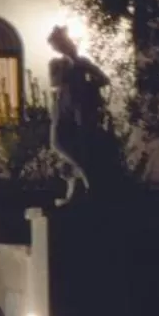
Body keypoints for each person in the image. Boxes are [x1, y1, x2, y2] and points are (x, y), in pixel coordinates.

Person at [46, 25, 109, 207]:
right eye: (55, 46)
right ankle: (85, 180)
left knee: (79, 148)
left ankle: (82, 188)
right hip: (62, 109)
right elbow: (54, 82)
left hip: (80, 111)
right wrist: (69, 66)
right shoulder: (57, 64)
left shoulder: (82, 62)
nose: (56, 49)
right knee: (57, 143)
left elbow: (103, 79)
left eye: (58, 44)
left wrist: (89, 86)